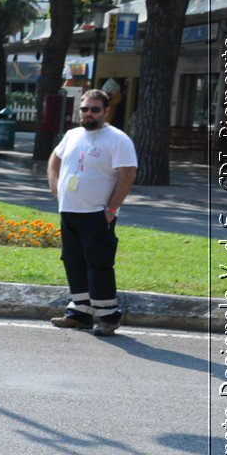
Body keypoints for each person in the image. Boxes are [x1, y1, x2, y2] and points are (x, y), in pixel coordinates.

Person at [47, 88, 138, 336]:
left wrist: (111, 209)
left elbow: (128, 174)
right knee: (73, 262)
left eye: (94, 109)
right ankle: (80, 313)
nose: (88, 114)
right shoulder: (73, 134)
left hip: (97, 214)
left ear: (106, 111)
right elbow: (55, 158)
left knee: (98, 265)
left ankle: (108, 316)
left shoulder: (118, 139)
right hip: (69, 211)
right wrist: (54, 184)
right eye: (84, 109)